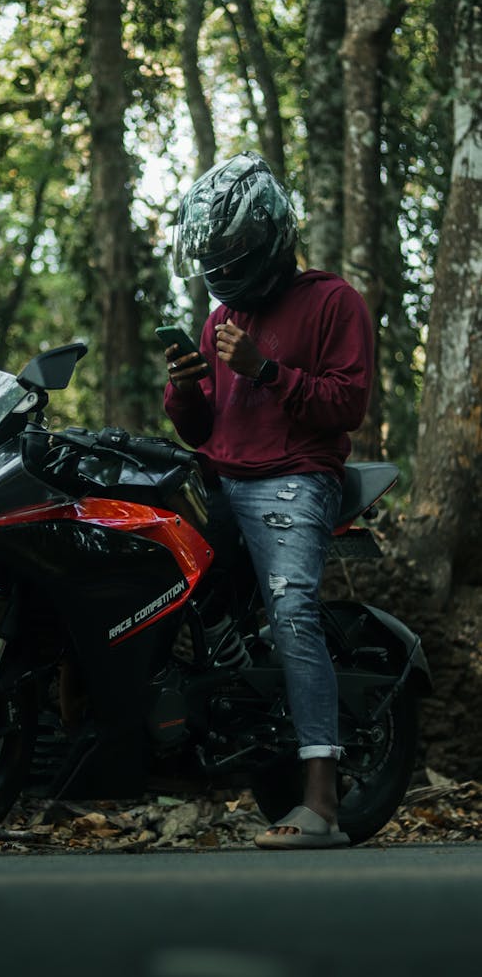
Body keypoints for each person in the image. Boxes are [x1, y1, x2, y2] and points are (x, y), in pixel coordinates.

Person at [162, 151, 374, 849]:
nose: (225, 272)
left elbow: (346, 404)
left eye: (235, 254)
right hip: (220, 477)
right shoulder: (219, 315)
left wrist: (266, 370)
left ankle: (321, 804)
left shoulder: (332, 301)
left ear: (271, 238)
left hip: (295, 477)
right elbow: (201, 427)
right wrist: (187, 384)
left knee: (291, 611)